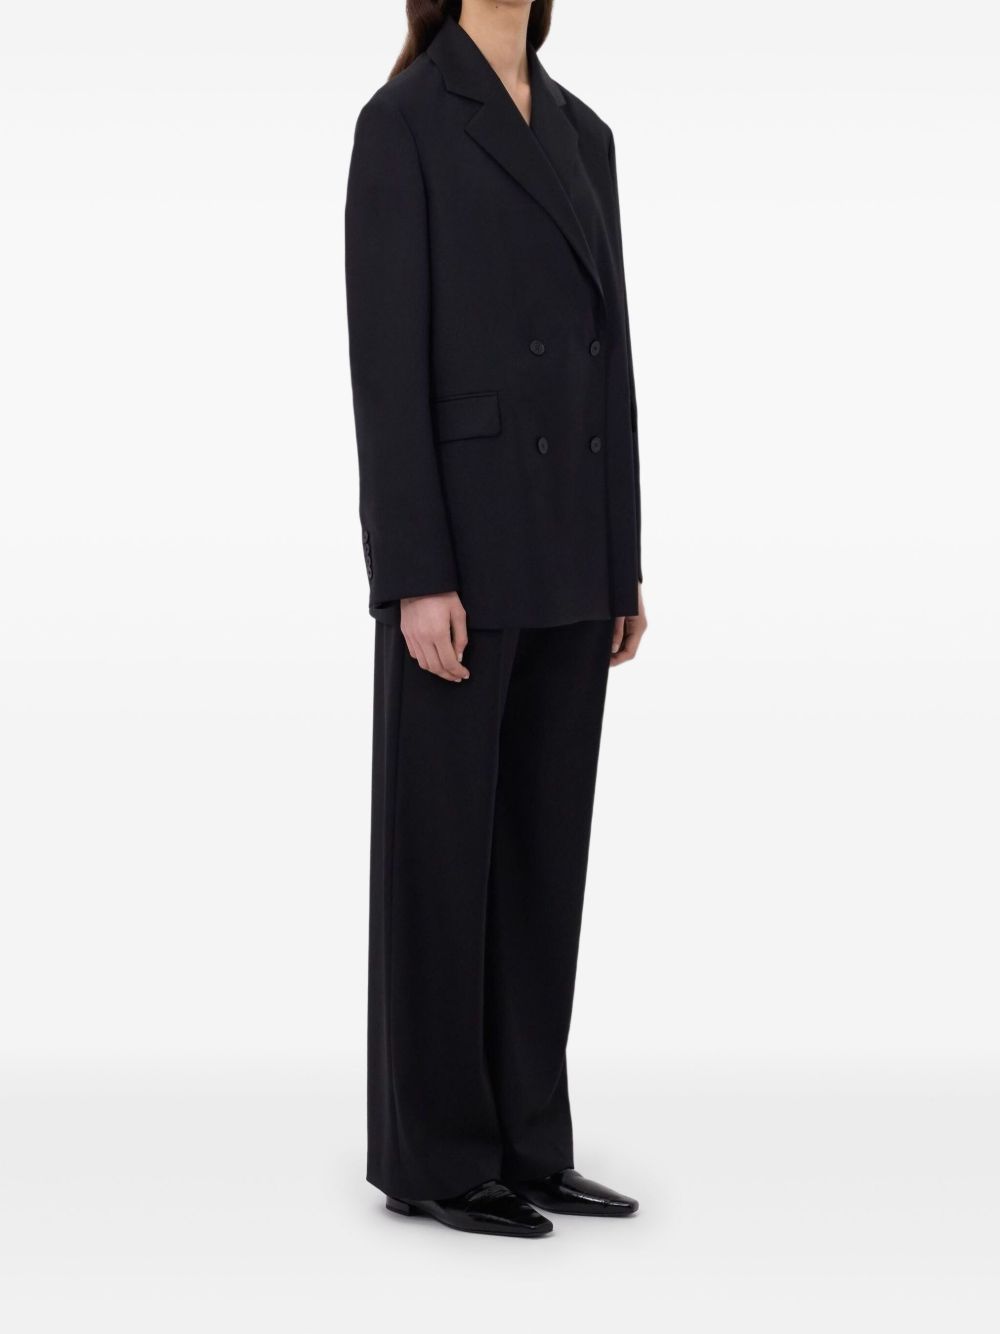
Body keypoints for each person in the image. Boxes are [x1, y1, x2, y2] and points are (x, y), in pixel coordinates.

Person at [345, 0, 647, 1239]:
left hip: (571, 542)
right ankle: (435, 1154)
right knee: (442, 855)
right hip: (461, 552)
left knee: (539, 857)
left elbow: (612, 355)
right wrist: (413, 571)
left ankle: (529, 1137)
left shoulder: (586, 133)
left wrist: (623, 558)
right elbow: (384, 366)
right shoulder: (403, 123)